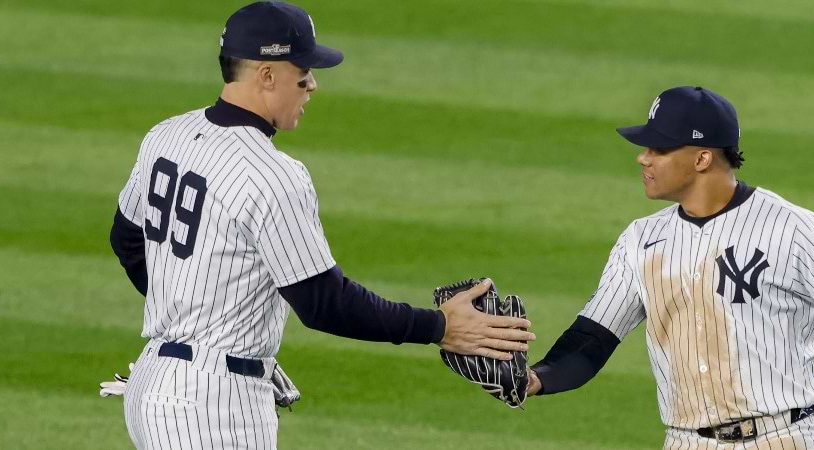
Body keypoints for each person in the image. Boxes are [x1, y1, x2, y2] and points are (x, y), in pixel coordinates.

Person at [105, 2, 534, 448]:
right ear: (266, 75)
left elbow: (128, 240)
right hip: (210, 406)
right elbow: (324, 303)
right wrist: (439, 327)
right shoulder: (274, 175)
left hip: (155, 383)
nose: (313, 84)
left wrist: (206, 328)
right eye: (303, 71)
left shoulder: (166, 135)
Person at [526, 86, 814, 449]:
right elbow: (592, 339)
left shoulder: (793, 229)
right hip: (685, 442)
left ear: (702, 158)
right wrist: (538, 378)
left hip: (782, 438)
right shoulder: (640, 240)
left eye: (658, 150)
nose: (642, 157)